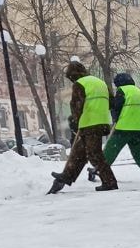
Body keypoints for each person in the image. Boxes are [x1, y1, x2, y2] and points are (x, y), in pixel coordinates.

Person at [48, 61, 117, 193]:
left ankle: (110, 182)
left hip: (89, 123)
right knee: (79, 153)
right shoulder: (100, 82)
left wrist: (75, 120)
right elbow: (111, 102)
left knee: (94, 154)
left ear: (73, 75)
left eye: (71, 78)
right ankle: (67, 176)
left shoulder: (80, 84)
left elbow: (76, 105)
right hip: (102, 121)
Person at [88, 73, 140, 184]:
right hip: (139, 129)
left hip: (124, 128)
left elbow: (116, 107)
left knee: (110, 150)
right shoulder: (139, 92)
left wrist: (115, 118)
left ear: (119, 83)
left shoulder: (122, 91)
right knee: (138, 154)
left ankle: (100, 170)